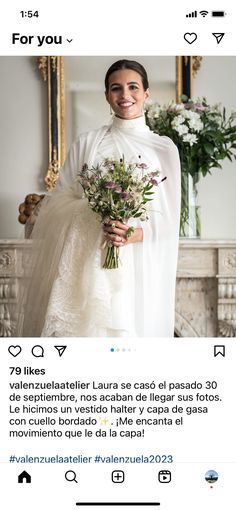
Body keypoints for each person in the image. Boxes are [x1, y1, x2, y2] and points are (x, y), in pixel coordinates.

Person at [19, 59, 181, 337]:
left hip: (138, 262)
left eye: (133, 87)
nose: (125, 95)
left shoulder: (163, 149)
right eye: (116, 88)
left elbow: (170, 220)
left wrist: (132, 234)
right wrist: (95, 213)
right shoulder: (87, 142)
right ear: (107, 95)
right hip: (88, 260)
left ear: (146, 93)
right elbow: (60, 198)